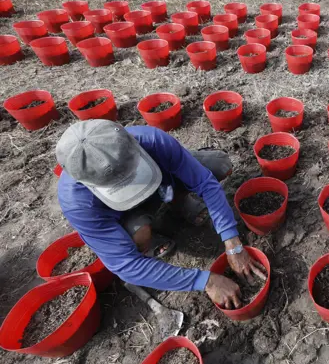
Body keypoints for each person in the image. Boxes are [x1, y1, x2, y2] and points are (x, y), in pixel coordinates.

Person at [56, 119, 265, 309]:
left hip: (163, 185)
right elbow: (126, 265)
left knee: (219, 164)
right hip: (128, 215)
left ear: (134, 146)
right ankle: (147, 239)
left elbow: (205, 183)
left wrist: (232, 242)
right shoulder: (77, 202)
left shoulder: (151, 140)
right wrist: (206, 281)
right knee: (138, 236)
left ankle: (179, 201)